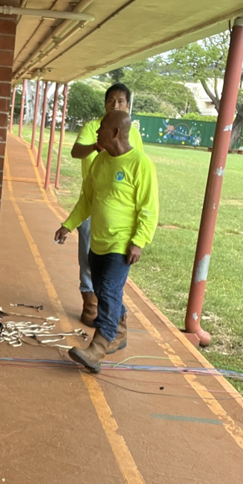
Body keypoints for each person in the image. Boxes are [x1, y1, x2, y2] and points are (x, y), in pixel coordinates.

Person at [55, 111, 158, 373]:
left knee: (109, 290)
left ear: (115, 133)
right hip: (98, 241)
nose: (97, 131)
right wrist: (68, 225)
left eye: (101, 128)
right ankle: (120, 330)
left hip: (122, 243)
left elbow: (149, 208)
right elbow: (87, 200)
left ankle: (99, 347)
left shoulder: (140, 164)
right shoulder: (99, 161)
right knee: (102, 290)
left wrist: (139, 241)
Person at [70, 83, 144, 326]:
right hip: (93, 204)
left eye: (121, 101)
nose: (115, 105)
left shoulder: (133, 136)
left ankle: (107, 331)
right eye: (111, 100)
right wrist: (93, 146)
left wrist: (139, 238)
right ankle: (93, 304)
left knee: (111, 277)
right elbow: (76, 152)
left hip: (121, 218)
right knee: (91, 262)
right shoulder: (94, 131)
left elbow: (139, 173)